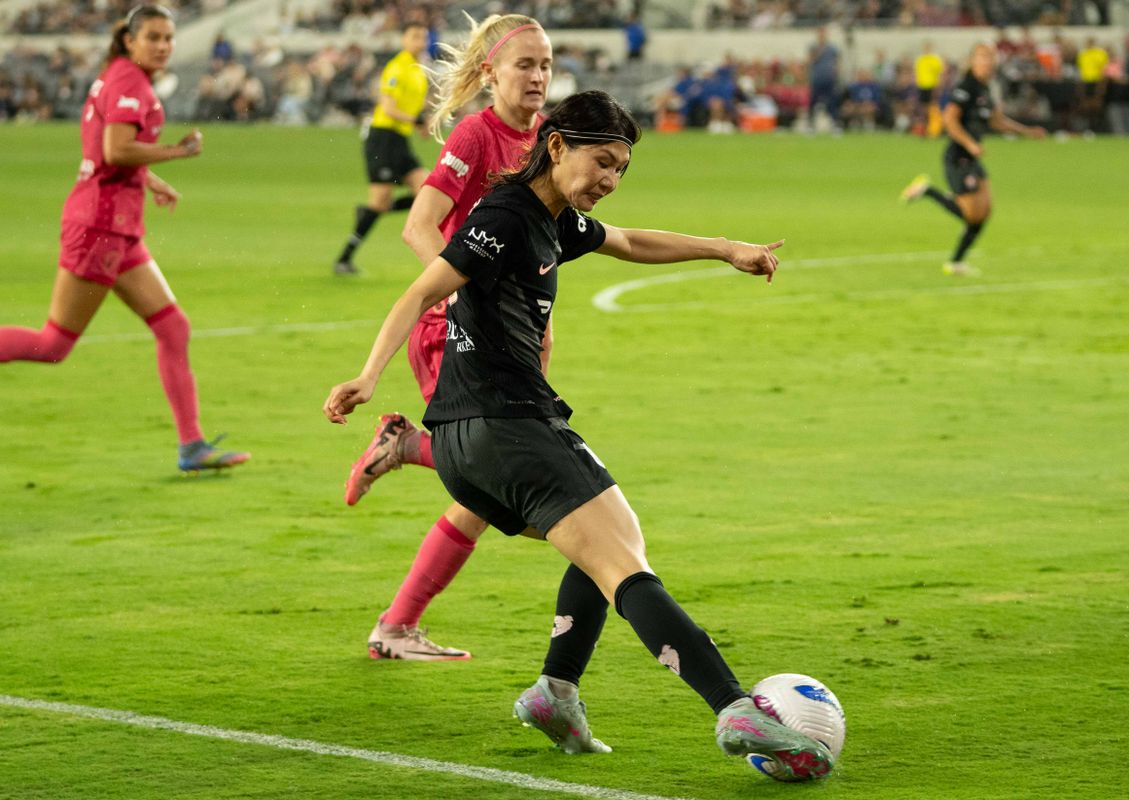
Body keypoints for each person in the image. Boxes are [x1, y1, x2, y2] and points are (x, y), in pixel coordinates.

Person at [324, 89, 833, 782]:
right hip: (509, 428)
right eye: (602, 161)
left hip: (470, 445)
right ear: (557, 144)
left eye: (621, 168)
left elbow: (626, 240)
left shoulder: (555, 221)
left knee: (606, 542)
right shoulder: (505, 216)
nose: (610, 179)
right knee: (624, 562)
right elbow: (419, 291)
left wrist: (724, 249)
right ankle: (733, 707)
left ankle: (556, 695)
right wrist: (366, 376)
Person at [343, 14, 554, 661]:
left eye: (547, 64)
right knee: (496, 472)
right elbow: (420, 225)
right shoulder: (477, 134)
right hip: (453, 329)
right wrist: (465, 289)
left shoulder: (549, 139)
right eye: (526, 64)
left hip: (518, 332)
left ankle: (397, 626)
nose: (540, 76)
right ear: (491, 73)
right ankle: (406, 449)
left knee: (487, 490)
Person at [0, 4, 248, 473]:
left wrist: (150, 180)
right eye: (153, 37)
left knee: (173, 327)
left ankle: (191, 446)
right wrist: (177, 152)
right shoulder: (129, 82)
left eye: (168, 38)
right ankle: (191, 445)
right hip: (99, 228)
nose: (162, 46)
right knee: (52, 344)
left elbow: (104, 150)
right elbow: (116, 149)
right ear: (130, 41)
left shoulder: (120, 74)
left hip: (118, 228)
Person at [900, 43, 1046, 277]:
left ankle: (956, 263)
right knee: (971, 215)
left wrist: (1028, 132)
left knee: (984, 212)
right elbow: (949, 120)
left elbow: (997, 121)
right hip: (958, 157)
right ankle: (927, 190)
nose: (986, 62)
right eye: (981, 58)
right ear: (972, 62)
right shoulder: (965, 87)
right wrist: (969, 144)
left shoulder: (985, 89)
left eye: (989, 58)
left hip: (972, 157)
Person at [333, 21, 431, 276]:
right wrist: (416, 120)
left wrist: (422, 124)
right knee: (380, 201)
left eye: (423, 36)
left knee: (427, 191)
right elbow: (388, 108)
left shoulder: (418, 71)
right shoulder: (397, 67)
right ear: (403, 40)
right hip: (383, 139)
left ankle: (368, 213)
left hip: (400, 139)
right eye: (414, 36)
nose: (419, 41)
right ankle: (344, 259)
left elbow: (412, 109)